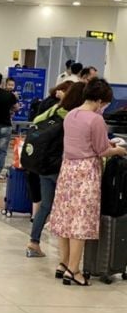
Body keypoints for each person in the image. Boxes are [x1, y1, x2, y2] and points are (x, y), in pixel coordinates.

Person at [48, 78, 127, 286]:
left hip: (68, 170)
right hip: (86, 172)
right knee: (80, 222)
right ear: (100, 100)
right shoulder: (95, 119)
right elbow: (102, 150)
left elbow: (84, 141)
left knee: (65, 218)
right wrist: (118, 149)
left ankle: (63, 264)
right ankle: (74, 270)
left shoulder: (71, 114)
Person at [26, 82, 87, 258]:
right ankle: (67, 256)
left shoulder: (55, 110)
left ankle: (33, 242)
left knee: (46, 205)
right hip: (62, 166)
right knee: (67, 209)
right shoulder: (75, 116)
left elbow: (36, 122)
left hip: (44, 164)